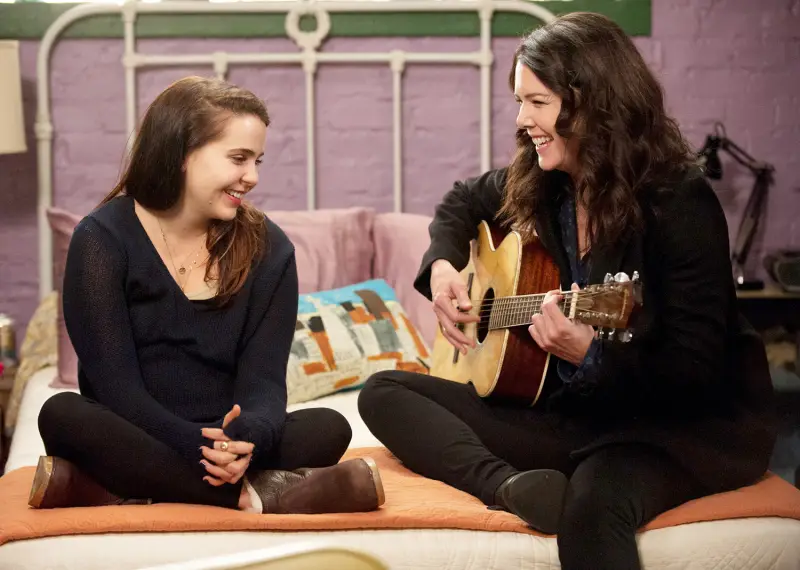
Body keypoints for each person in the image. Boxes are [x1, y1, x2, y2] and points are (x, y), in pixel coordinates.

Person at [358, 12, 776, 570]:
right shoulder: (547, 182)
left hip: (672, 429)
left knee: (592, 507)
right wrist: (442, 268)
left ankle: (551, 485)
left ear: (592, 102)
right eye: (519, 101)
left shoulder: (680, 202)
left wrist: (587, 353)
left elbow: (693, 371)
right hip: (576, 413)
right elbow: (462, 200)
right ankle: (509, 487)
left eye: (537, 101)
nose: (522, 120)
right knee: (384, 392)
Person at [31, 76, 384, 515]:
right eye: (238, 158)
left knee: (328, 426)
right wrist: (196, 446)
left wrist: (247, 441)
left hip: (225, 438)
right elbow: (116, 389)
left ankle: (109, 487)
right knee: (63, 414)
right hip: (136, 429)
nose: (251, 177)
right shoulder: (102, 239)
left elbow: (265, 384)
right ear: (181, 152)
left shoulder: (270, 248)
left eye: (257, 161)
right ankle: (256, 495)